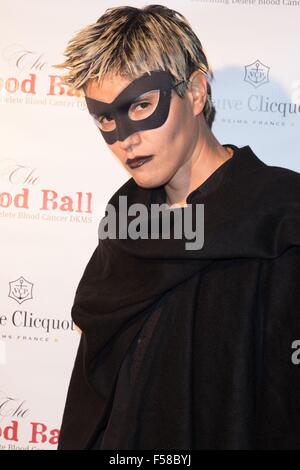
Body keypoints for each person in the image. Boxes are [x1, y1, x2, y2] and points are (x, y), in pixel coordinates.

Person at [54, 5, 300, 450]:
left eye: (142, 105)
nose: (124, 138)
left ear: (196, 92)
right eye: (105, 118)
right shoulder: (125, 223)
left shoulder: (282, 217)